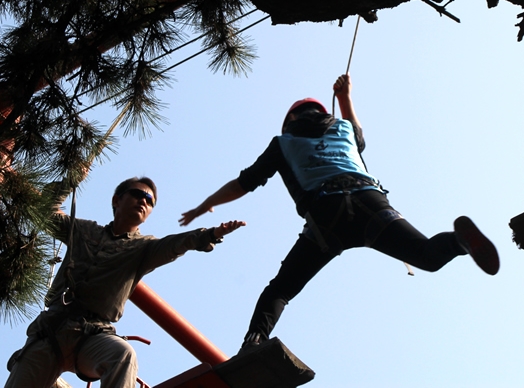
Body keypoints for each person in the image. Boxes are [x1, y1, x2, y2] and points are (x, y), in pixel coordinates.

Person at [179, 74, 499, 349]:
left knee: (281, 290)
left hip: (325, 216)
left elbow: (244, 183)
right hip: (371, 203)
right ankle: (459, 242)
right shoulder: (344, 129)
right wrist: (345, 98)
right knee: (427, 256)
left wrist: (206, 204)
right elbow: (359, 134)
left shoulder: (283, 143)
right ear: (323, 113)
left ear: (290, 121)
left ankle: (254, 343)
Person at [5, 176, 245, 388]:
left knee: (122, 354)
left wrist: (210, 234)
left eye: (150, 201)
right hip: (50, 332)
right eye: (138, 194)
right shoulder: (83, 231)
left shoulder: (143, 248)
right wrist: (71, 179)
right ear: (117, 200)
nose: (143, 201)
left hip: (91, 335)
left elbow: (175, 245)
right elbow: (44, 212)